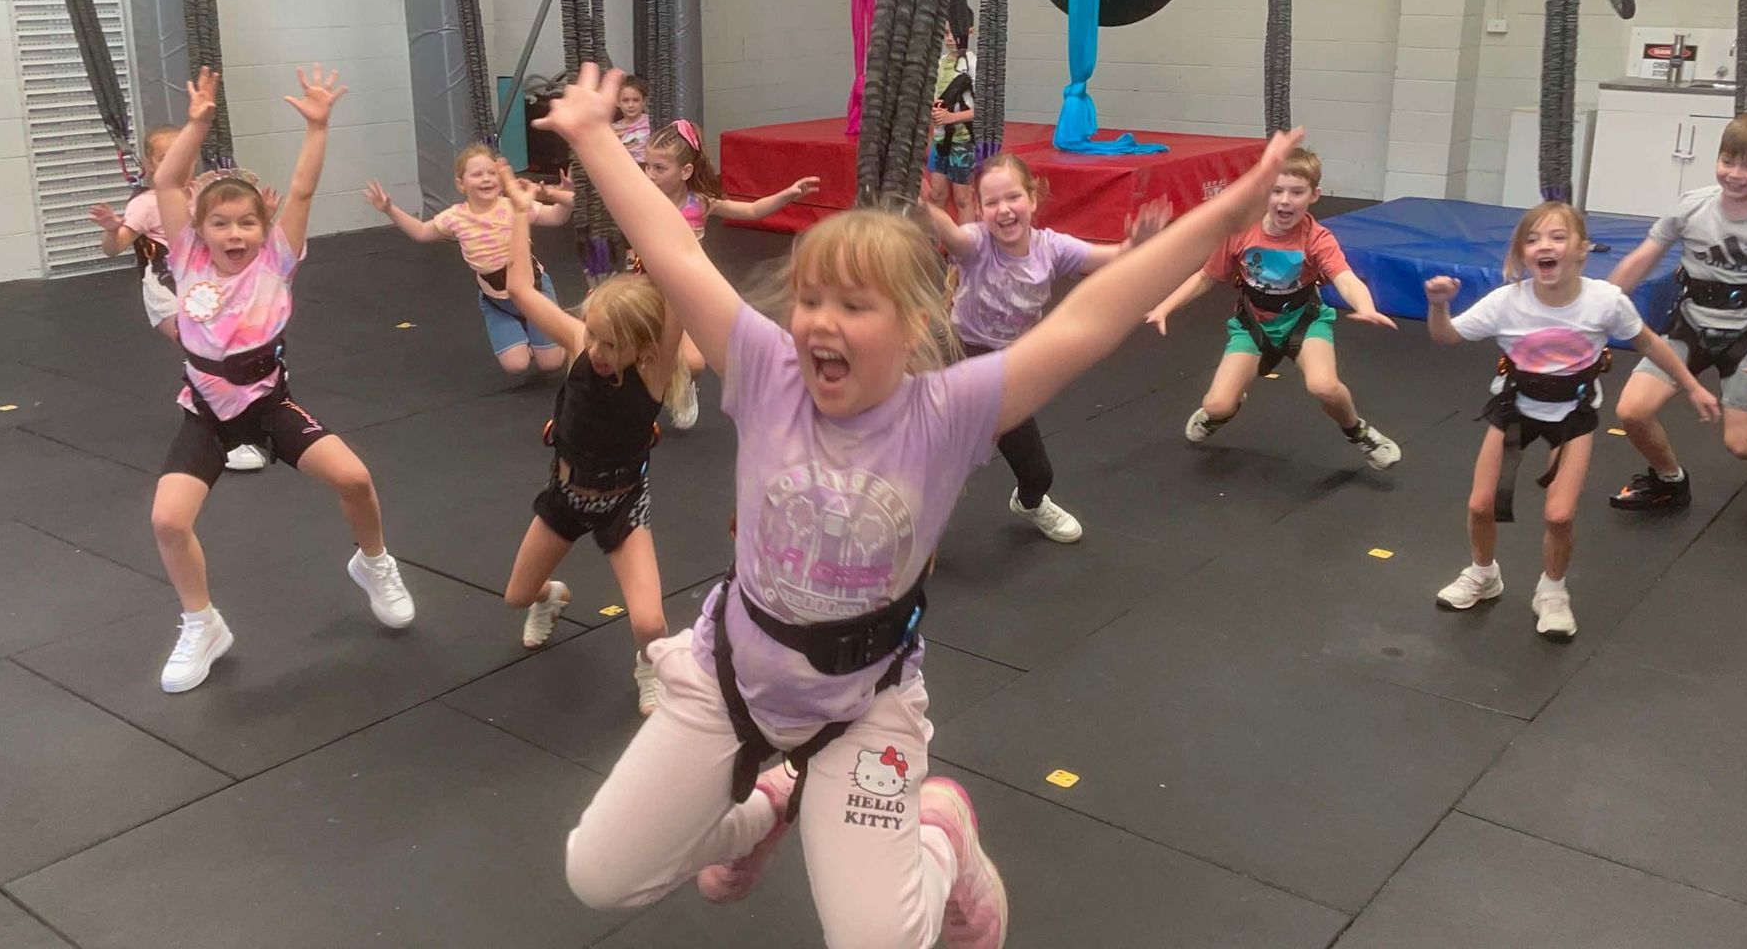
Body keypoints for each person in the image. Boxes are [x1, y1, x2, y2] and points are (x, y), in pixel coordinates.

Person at [546, 62, 1305, 948]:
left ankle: (943, 837)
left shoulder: (946, 414)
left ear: (910, 328)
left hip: (864, 698)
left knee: (881, 943)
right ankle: (765, 809)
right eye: (812, 300)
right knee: (598, 877)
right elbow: (676, 256)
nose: (820, 322)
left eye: (853, 305)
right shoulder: (766, 370)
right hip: (731, 676)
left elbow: (1092, 318)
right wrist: (596, 137)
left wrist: (1233, 208)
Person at [149, 66, 415, 694]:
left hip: (269, 402)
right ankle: (202, 623)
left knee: (353, 477)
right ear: (200, 230)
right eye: (220, 223)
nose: (234, 233)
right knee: (168, 521)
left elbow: (300, 190)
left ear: (262, 228)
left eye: (246, 222)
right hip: (208, 413)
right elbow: (165, 179)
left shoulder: (276, 259)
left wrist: (318, 127)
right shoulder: (186, 257)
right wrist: (196, 123)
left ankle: (374, 563)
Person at [1425, 201, 1719, 641]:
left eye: (1558, 237)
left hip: (1573, 414)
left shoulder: (1604, 301)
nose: (1545, 246)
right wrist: (1438, 306)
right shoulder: (1507, 302)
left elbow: (1650, 343)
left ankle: (1553, 591)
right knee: (1480, 504)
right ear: (1522, 254)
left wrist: (1691, 386)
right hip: (1515, 408)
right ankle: (1484, 574)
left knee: (1560, 515)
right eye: (1533, 239)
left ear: (1582, 250)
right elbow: (1445, 336)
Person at [497, 164, 689, 716]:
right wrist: (516, 210)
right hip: (565, 495)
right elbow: (519, 288)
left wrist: (667, 220)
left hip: (622, 502)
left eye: (612, 345)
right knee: (516, 596)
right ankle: (553, 598)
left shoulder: (654, 371)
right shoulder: (583, 341)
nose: (599, 352)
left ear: (643, 347)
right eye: (597, 338)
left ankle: (646, 665)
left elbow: (678, 284)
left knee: (650, 622)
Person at [1145, 147, 1402, 470]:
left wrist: (1365, 305)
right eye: (1277, 191)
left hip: (1303, 321)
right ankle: (1229, 405)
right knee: (1217, 405)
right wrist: (1165, 307)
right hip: (1253, 325)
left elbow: (1346, 278)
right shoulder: (1240, 233)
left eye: (1297, 192)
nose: (1285, 201)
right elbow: (1206, 277)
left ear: (1314, 195)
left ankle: (1358, 431)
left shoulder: (1317, 238)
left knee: (1324, 386)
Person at [922, 152, 1132, 543]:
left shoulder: (1050, 249)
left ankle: (1030, 501)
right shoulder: (976, 245)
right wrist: (924, 206)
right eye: (991, 202)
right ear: (980, 210)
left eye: (1013, 198)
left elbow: (1114, 257)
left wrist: (1142, 244)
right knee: (941, 456)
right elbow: (951, 234)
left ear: (1033, 199)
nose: (1004, 210)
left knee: (1038, 474)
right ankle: (901, 513)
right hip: (963, 359)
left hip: (1012, 369)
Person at [1601, 111, 1747, 507]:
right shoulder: (1692, 206)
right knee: (1632, 411)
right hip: (1688, 327)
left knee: (1743, 444)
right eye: (1728, 161)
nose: (1735, 174)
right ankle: (1668, 479)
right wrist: (1593, 307)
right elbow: (1642, 259)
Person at [91, 126, 267, 473]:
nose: (177, 163)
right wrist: (113, 229)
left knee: (232, 347)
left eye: (183, 156)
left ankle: (231, 415)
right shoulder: (147, 203)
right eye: (165, 158)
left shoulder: (205, 194)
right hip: (168, 290)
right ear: (149, 164)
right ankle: (223, 432)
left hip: (206, 289)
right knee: (208, 350)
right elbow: (115, 248)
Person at [640, 120, 819, 430]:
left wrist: (788, 194)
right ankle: (655, 385)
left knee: (694, 361)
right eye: (647, 166)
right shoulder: (643, 201)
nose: (649, 175)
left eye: (659, 168)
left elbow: (751, 211)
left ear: (685, 172)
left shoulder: (700, 204)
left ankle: (684, 382)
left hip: (688, 287)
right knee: (644, 353)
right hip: (650, 284)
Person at [363, 143, 573, 377]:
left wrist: (563, 197)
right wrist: (391, 210)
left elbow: (556, 217)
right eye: (477, 174)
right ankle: (522, 331)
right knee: (516, 365)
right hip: (498, 303)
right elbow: (422, 232)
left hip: (534, 291)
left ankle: (554, 327)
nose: (486, 179)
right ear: (461, 184)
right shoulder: (456, 216)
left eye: (491, 173)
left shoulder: (514, 205)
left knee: (551, 364)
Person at [925, 22, 978, 225]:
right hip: (940, 140)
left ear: (969, 31)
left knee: (963, 197)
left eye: (955, 33)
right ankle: (935, 246)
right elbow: (932, 97)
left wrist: (951, 118)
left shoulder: (974, 64)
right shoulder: (939, 64)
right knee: (937, 194)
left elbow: (984, 109)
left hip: (963, 140)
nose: (950, 38)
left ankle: (966, 252)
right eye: (946, 33)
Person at [613, 75, 652, 165]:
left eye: (636, 100)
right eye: (625, 100)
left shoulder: (651, 123)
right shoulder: (614, 129)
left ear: (644, 101)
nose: (631, 105)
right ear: (617, 102)